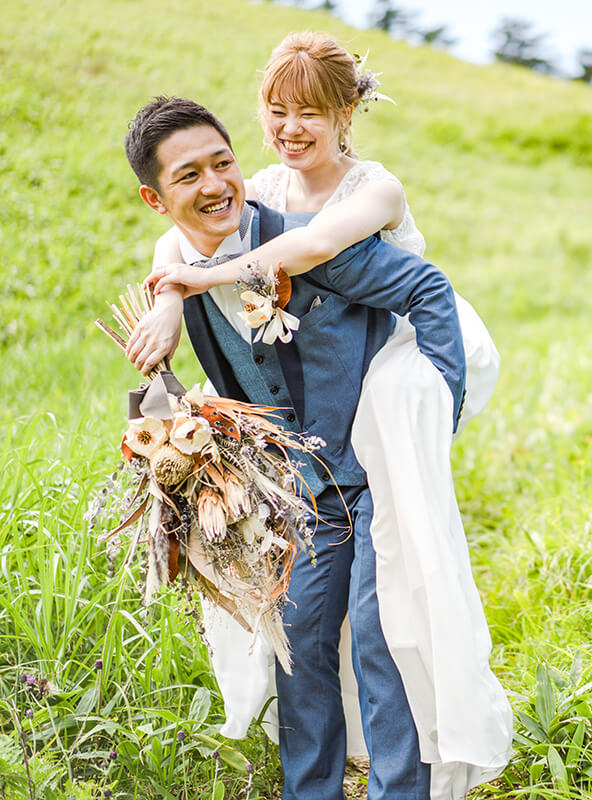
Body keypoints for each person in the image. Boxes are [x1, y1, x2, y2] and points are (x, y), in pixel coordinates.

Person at [125, 33, 512, 800]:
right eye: (276, 111)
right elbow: (183, 245)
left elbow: (413, 286)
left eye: (312, 112)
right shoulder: (251, 201)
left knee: (380, 630)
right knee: (298, 637)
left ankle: (400, 788)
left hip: (379, 446)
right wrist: (171, 295)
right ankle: (312, 789)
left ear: (346, 114)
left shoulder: (343, 214)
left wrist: (436, 401)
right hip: (299, 480)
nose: (291, 128)